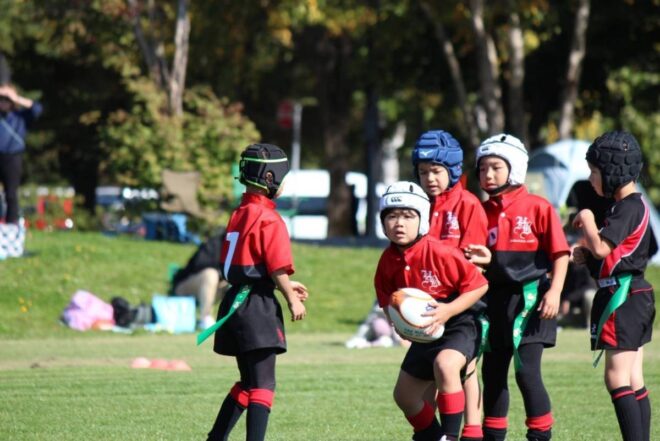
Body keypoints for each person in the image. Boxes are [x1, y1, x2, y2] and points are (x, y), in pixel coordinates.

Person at [206, 143, 308, 441]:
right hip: (257, 308)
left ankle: (215, 438)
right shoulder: (269, 218)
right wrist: (291, 298)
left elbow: (252, 262)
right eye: (283, 178)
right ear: (269, 178)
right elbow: (277, 266)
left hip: (235, 302)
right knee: (264, 384)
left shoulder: (239, 212)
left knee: (249, 382)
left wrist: (281, 284)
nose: (284, 184)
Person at [374, 181, 489, 441]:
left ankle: (450, 436)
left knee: (445, 365)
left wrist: (448, 310)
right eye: (391, 216)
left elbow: (479, 286)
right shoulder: (387, 260)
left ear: (423, 220)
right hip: (425, 330)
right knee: (404, 396)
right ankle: (433, 436)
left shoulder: (441, 252)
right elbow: (385, 297)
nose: (399, 223)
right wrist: (397, 322)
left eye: (408, 216)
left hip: (459, 322)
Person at [474, 134, 569, 441]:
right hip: (493, 303)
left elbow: (560, 254)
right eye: (482, 168)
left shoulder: (538, 207)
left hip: (531, 302)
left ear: (514, 168)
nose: (488, 174)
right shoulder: (480, 212)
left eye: (495, 167)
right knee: (492, 373)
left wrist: (554, 292)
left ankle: (539, 436)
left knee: (527, 372)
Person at [571, 131, 655, 441]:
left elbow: (603, 248)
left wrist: (586, 218)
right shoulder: (634, 206)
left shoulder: (627, 207)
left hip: (624, 298)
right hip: (635, 293)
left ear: (613, 171)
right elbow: (628, 252)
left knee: (616, 378)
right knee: (633, 378)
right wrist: (589, 257)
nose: (591, 178)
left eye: (594, 171)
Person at [412, 129, 489, 441]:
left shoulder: (468, 205)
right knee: (430, 374)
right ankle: (432, 434)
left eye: (436, 171)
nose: (430, 178)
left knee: (463, 368)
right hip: (428, 305)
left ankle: (470, 431)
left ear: (453, 170)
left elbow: (474, 263)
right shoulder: (418, 206)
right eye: (423, 172)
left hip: (463, 302)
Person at [0, 75, 43, 224]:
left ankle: (11, 225)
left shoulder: (20, 117)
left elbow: (37, 109)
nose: (3, 102)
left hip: (12, 158)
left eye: (6, 99)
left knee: (11, 194)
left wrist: (15, 97)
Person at [171, 233, 228, 330]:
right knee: (211, 275)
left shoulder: (240, 246)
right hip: (185, 284)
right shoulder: (215, 242)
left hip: (217, 286)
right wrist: (222, 275)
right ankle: (205, 318)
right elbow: (199, 265)